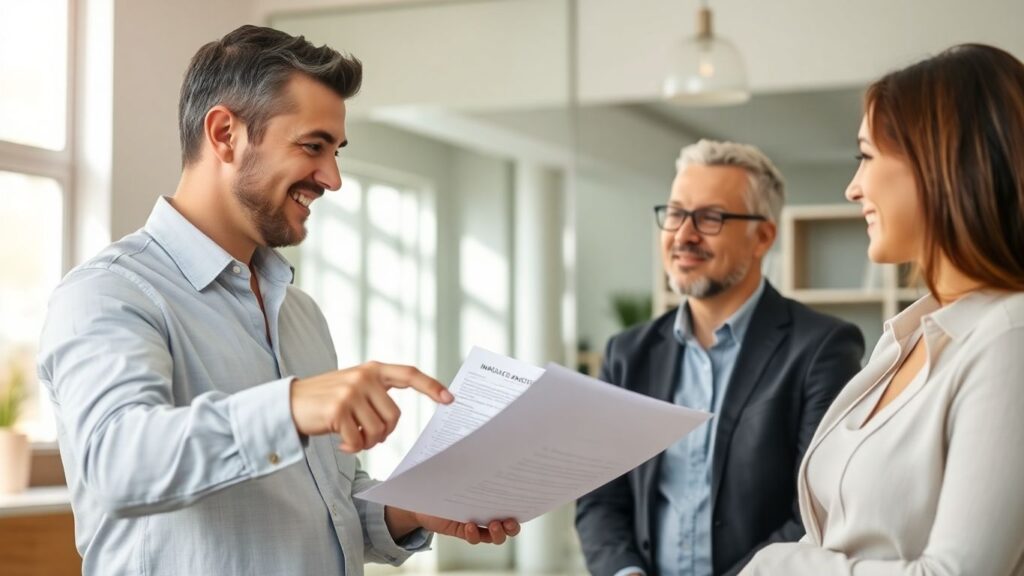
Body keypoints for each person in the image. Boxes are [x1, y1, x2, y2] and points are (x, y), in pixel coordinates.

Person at [37, 25, 517, 576]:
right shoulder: (108, 293)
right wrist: (290, 407)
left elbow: (323, 510)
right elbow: (116, 466)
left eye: (336, 152)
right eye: (313, 146)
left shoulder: (300, 313)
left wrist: (416, 509)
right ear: (225, 134)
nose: (332, 179)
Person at [741, 43, 1024, 576]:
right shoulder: (906, 336)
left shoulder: (1009, 336)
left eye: (866, 156)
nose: (853, 188)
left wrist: (779, 565)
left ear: (941, 161)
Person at [575, 139, 865, 576]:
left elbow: (816, 511)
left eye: (710, 218)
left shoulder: (822, 349)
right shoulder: (628, 354)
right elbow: (600, 496)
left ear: (762, 236)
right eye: (675, 214)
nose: (683, 234)